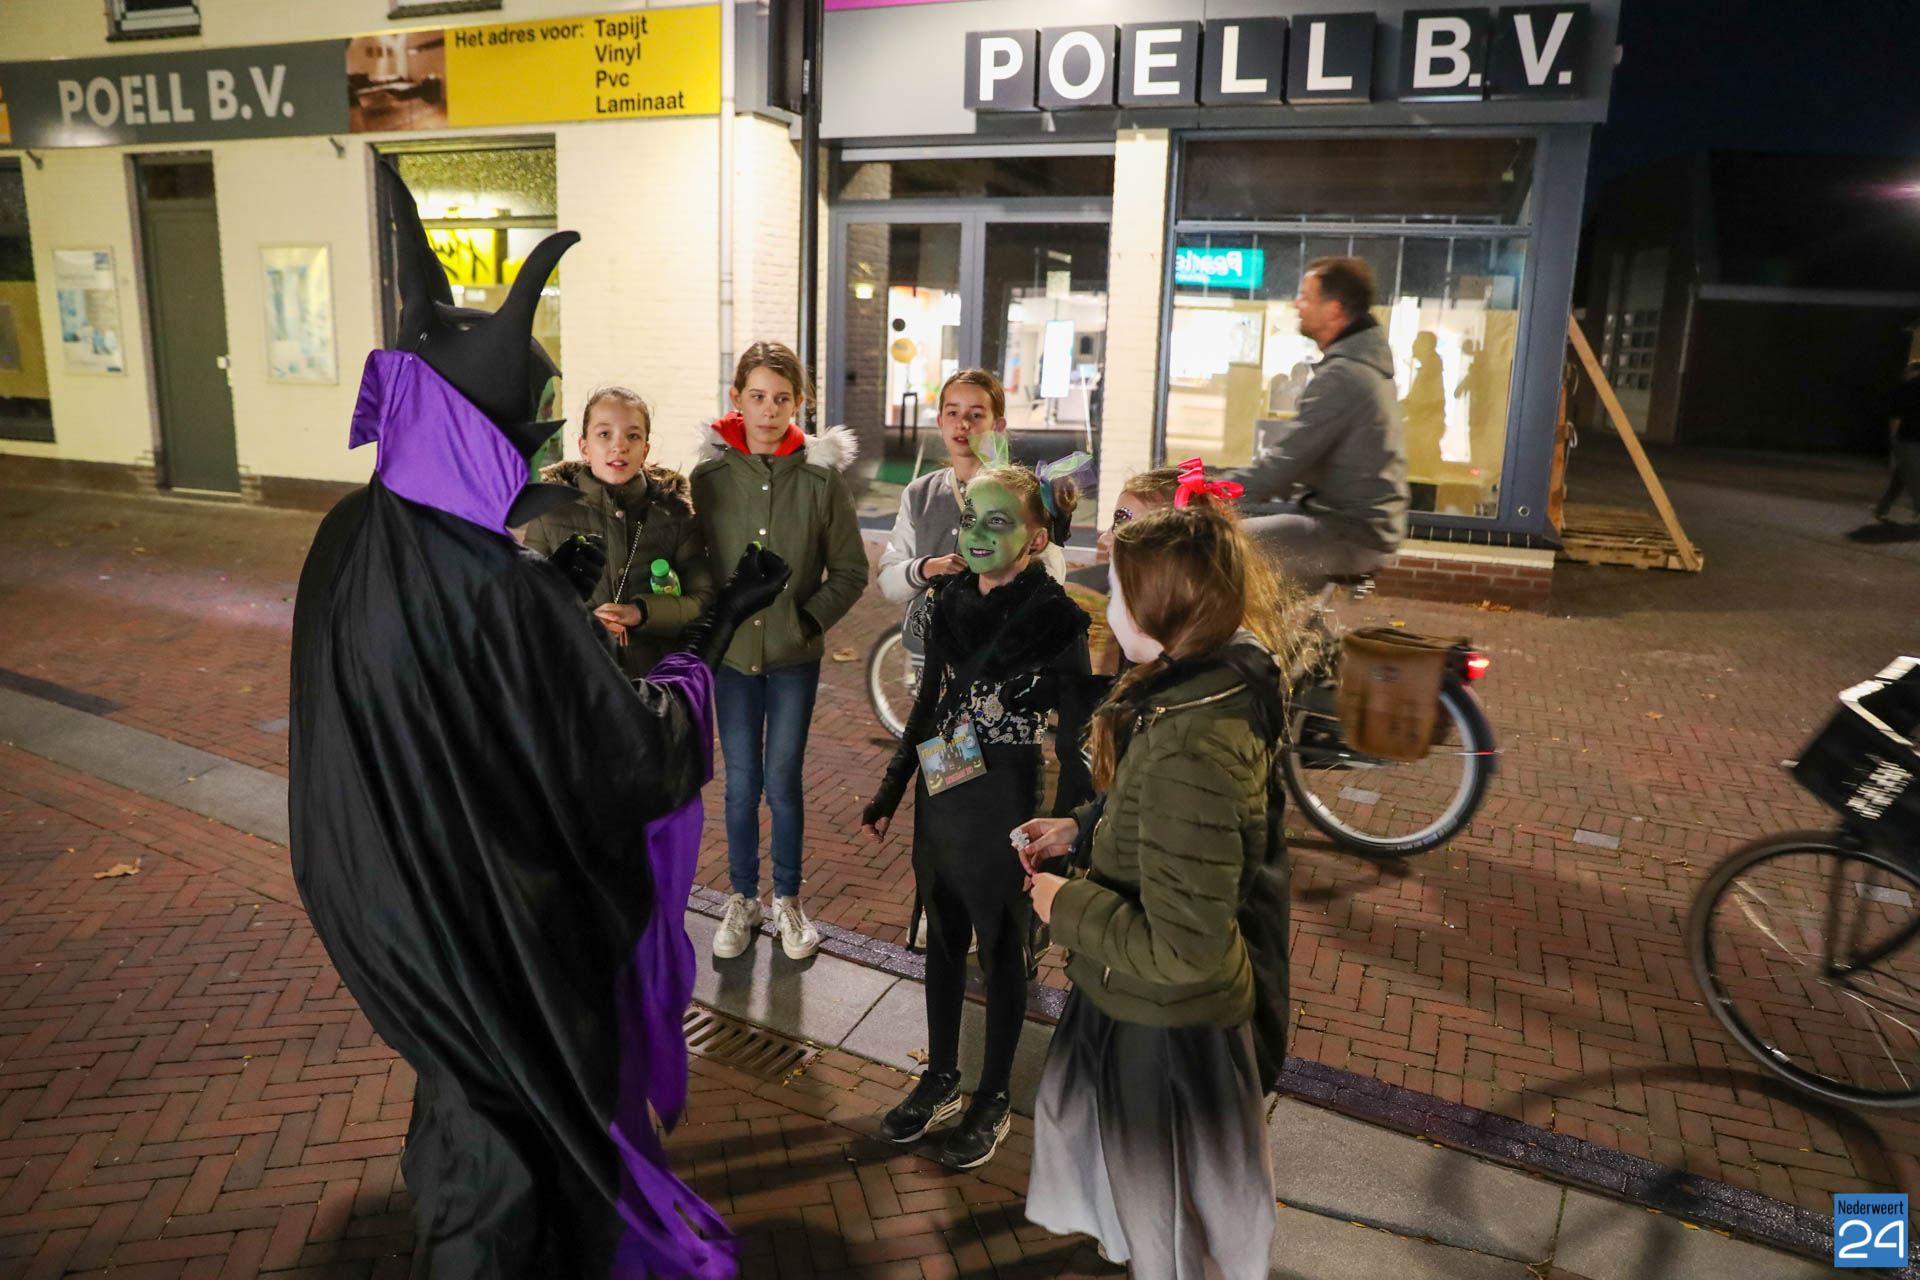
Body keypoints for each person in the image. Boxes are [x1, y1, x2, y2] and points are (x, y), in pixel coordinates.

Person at [290, 163, 790, 1279]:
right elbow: (637, 755)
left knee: (463, 1096)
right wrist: (712, 636)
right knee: (510, 1158)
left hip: (384, 905)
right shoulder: (499, 586)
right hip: (494, 931)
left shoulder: (348, 535)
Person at [1018, 501, 1290, 1279]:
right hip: (1144, 1007)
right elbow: (1164, 824)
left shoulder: (1192, 741)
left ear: (1163, 611)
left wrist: (1063, 904)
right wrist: (1080, 827)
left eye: (1119, 592)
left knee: (1169, 1227)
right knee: (1156, 1217)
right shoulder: (1194, 689)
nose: (1108, 606)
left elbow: (1184, 945)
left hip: (1167, 1030)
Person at [859, 465, 1095, 1170]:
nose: (978, 534)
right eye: (970, 520)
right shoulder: (948, 600)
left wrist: (1067, 834)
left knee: (1000, 949)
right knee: (942, 939)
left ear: (1037, 538)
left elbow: (1076, 740)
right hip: (941, 793)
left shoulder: (1058, 618)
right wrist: (891, 790)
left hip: (1007, 801)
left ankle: (992, 1096)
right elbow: (927, 704)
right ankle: (940, 1077)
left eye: (999, 521)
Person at [694, 341, 868, 962]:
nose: (769, 411)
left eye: (782, 399)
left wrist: (805, 620)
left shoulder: (820, 481)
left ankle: (788, 900)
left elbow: (850, 571)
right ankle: (742, 897)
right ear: (737, 399)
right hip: (732, 660)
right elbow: (694, 564)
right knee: (740, 783)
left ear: (800, 403)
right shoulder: (709, 479)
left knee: (783, 781)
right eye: (758, 397)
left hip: (794, 659)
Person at [1222, 256, 1410, 587]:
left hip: (1347, 534)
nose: (1297, 304)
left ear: (1333, 310)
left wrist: (1209, 493)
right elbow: (1301, 463)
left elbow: (1284, 465)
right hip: (1361, 527)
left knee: (1220, 550)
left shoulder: (1343, 375)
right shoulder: (1361, 366)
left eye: (1306, 297)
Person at [519, 385, 715, 678]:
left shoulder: (674, 513)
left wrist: (641, 612)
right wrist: (587, 623)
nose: (619, 446)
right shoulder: (551, 511)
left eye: (632, 436)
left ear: (645, 449)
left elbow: (702, 600)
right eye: (604, 434)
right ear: (584, 447)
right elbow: (527, 602)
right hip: (578, 676)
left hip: (656, 679)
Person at [877, 368, 1068, 655]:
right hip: (928, 651)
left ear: (998, 425)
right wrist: (926, 567)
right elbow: (888, 581)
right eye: (952, 413)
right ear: (940, 421)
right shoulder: (919, 494)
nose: (963, 424)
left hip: (999, 654)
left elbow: (1053, 573)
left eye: (976, 415)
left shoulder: (1021, 493)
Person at [1873, 359, 1920, 524]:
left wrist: (1893, 437)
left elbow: (1896, 415)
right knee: (1902, 475)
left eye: (1907, 370)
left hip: (1909, 439)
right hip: (1913, 440)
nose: (1904, 373)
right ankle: (1882, 507)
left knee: (1911, 474)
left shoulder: (1908, 388)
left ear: (1915, 372)